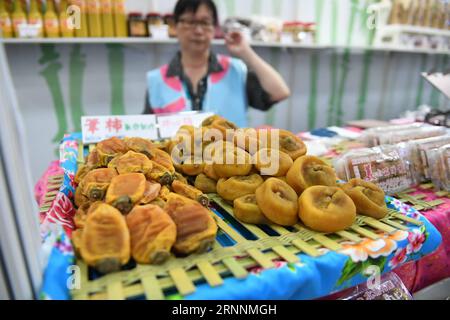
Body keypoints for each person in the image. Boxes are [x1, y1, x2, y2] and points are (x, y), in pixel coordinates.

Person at [143, 0, 290, 127]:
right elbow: (147, 131)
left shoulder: (235, 70)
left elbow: (280, 92)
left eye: (205, 22)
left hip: (232, 158)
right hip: (173, 159)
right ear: (175, 26)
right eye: (190, 22)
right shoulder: (157, 80)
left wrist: (246, 52)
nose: (198, 30)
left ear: (214, 29)